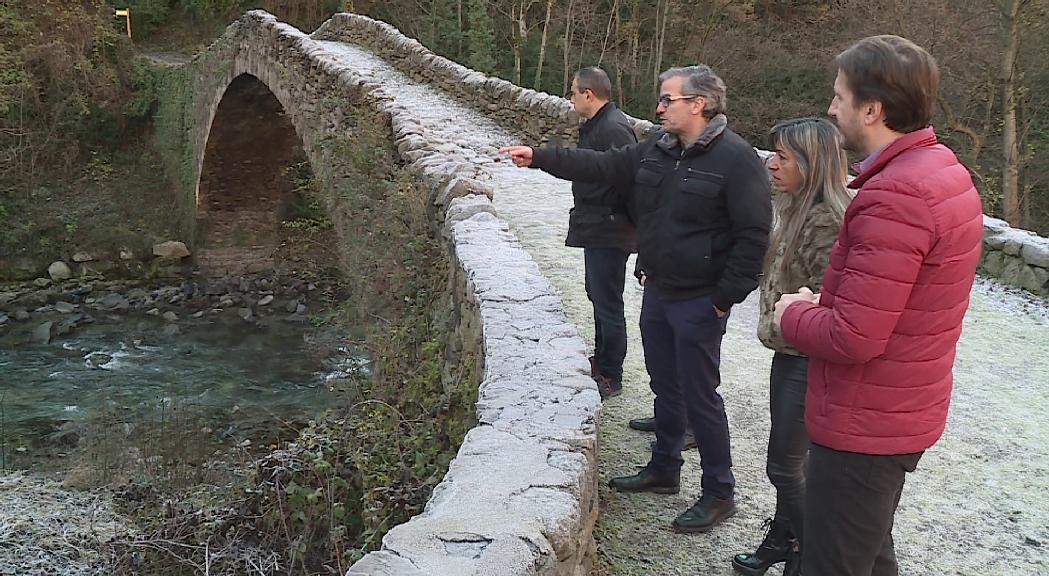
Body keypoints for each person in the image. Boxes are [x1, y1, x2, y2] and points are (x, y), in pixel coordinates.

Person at [502, 65, 771, 533]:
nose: (659, 107)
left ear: (698, 104)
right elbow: (603, 166)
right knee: (665, 385)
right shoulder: (658, 149)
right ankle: (664, 468)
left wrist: (725, 298)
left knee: (700, 395)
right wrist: (539, 156)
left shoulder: (736, 158)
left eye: (668, 100)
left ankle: (719, 493)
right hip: (659, 290)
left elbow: (753, 237)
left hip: (700, 300)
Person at [773, 35, 983, 576]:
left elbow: (854, 337)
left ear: (872, 109)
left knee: (836, 563)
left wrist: (793, 312)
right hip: (895, 413)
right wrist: (838, 298)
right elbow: (907, 298)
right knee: (869, 557)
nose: (830, 108)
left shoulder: (896, 195)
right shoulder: (941, 170)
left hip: (864, 424)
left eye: (839, 97)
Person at [731, 118, 851, 576]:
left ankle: (809, 554)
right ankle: (786, 537)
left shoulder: (827, 221)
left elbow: (832, 301)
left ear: (810, 162)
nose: (771, 164)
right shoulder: (794, 206)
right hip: (790, 351)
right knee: (784, 462)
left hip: (809, 359)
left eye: (781, 157)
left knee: (786, 466)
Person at [564, 67, 638, 401]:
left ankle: (612, 373)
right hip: (597, 226)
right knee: (597, 294)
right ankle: (602, 359)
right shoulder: (600, 125)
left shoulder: (613, 129)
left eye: (574, 92)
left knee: (608, 301)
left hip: (610, 229)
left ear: (588, 95)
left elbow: (629, 182)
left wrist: (618, 221)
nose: (571, 98)